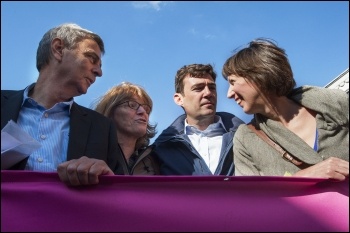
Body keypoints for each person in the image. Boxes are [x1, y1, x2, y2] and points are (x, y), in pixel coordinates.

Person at [1, 23, 124, 185]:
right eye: (91, 58)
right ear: (58, 49)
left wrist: (107, 177)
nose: (99, 72)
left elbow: (118, 192)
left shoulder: (102, 127)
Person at [222, 38, 349, 181]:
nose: (229, 94)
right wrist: (302, 177)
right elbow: (250, 197)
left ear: (258, 75)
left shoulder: (335, 102)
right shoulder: (245, 139)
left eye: (233, 82)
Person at [150, 63, 245, 175]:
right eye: (198, 88)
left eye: (212, 87)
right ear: (179, 99)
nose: (208, 93)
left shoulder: (244, 137)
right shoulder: (161, 149)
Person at [92, 82, 160, 175]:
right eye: (132, 105)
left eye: (146, 109)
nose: (142, 112)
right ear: (110, 111)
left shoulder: (157, 160)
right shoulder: (88, 155)